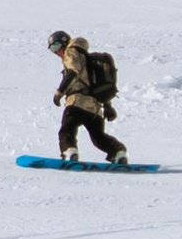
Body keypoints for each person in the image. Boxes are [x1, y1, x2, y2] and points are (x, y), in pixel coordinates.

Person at [47, 30, 128, 166]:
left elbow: (73, 71)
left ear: (64, 42)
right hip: (94, 108)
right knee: (98, 137)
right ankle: (118, 152)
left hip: (77, 103)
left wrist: (59, 92)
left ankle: (69, 152)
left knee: (67, 130)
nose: (56, 53)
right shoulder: (87, 58)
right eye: (52, 50)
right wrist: (107, 106)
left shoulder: (71, 52)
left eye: (55, 47)